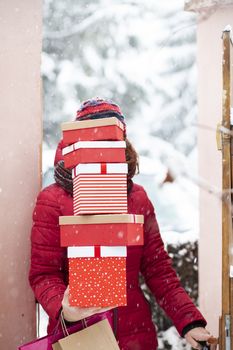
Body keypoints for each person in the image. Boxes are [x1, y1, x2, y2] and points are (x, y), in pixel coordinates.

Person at [29, 98, 215, 350]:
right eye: (94, 142)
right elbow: (44, 274)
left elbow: (158, 270)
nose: (103, 150)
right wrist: (64, 309)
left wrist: (190, 322)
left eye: (111, 142)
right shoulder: (53, 200)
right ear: (76, 144)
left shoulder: (137, 198)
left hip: (135, 337)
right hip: (79, 338)